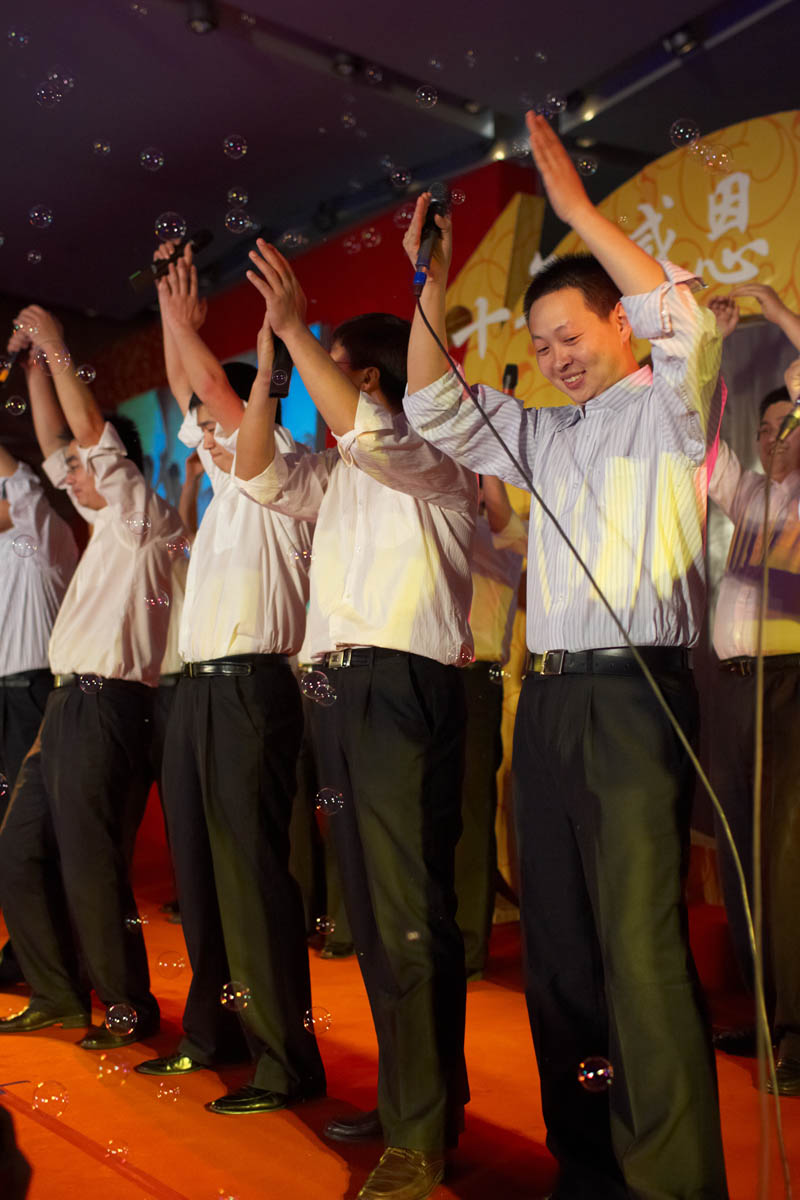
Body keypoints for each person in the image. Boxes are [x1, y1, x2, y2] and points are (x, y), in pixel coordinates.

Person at [403, 113, 728, 1199]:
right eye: (539, 345)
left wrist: (580, 212)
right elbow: (432, 404)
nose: (553, 358)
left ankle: (671, 1183)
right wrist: (427, 282)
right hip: (543, 708)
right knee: (559, 952)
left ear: (617, 325)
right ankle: (586, 1169)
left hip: (635, 700)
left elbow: (680, 315)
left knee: (640, 948)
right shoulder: (540, 434)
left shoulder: (670, 405)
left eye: (568, 335)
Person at [234, 240, 477, 1200]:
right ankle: (418, 1100)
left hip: (401, 687)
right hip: (338, 693)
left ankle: (422, 1132)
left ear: (368, 379)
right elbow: (256, 472)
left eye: (331, 369)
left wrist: (296, 326)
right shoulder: (337, 477)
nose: (315, 390)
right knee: (373, 918)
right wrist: (269, 369)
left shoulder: (435, 457)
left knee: (409, 914)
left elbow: (373, 434)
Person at [134, 242, 325, 1116]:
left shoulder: (275, 460)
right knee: (204, 874)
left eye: (218, 416)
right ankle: (214, 1034)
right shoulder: (224, 479)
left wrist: (183, 323)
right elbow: (193, 389)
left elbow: (209, 388)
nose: (203, 431)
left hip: (252, 688)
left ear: (253, 410)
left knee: (251, 873)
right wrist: (169, 316)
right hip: (201, 690)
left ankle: (288, 1061)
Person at [0, 305, 185, 1048]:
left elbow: (82, 434)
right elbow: (56, 442)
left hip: (109, 703)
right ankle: (58, 994)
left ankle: (127, 1005)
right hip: (65, 705)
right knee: (20, 848)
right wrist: (35, 372)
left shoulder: (142, 515)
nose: (69, 474)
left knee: (89, 863)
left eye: (83, 465)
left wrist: (55, 343)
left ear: (115, 466)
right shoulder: (104, 522)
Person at [707, 290, 800, 1094]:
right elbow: (701, 450)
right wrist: (709, 349)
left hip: (791, 686)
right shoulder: (750, 498)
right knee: (742, 857)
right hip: (734, 691)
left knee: (787, 861)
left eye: (787, 425)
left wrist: (780, 312)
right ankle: (768, 1013)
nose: (773, 439)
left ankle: (797, 1035)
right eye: (765, 429)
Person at [0, 437, 78, 986]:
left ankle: (51, 960)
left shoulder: (42, 537)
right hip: (4, 695)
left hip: (32, 693)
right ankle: (23, 950)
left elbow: (25, 490)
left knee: (30, 835)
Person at [457, 475, 525, 980]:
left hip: (478, 678)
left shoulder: (500, 533)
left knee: (473, 813)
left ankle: (469, 946)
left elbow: (502, 519)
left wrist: (489, 476)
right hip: (432, 674)